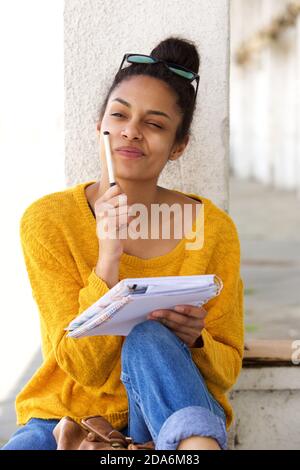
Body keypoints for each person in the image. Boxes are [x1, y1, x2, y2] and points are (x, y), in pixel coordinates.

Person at [2, 36, 244, 451]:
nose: (131, 132)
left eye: (154, 124)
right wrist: (109, 257)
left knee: (150, 337)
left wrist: (196, 340)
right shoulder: (48, 221)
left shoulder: (213, 229)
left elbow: (228, 370)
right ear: (99, 128)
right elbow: (85, 369)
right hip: (66, 419)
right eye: (119, 115)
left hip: (168, 413)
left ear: (178, 146)